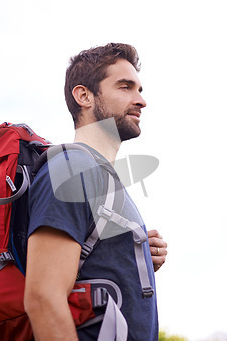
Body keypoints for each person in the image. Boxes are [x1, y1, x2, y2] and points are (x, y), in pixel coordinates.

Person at [24, 43, 167, 341]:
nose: (141, 101)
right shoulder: (72, 168)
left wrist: (131, 254)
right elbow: (43, 298)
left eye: (139, 89)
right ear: (84, 96)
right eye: (125, 87)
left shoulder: (102, 178)